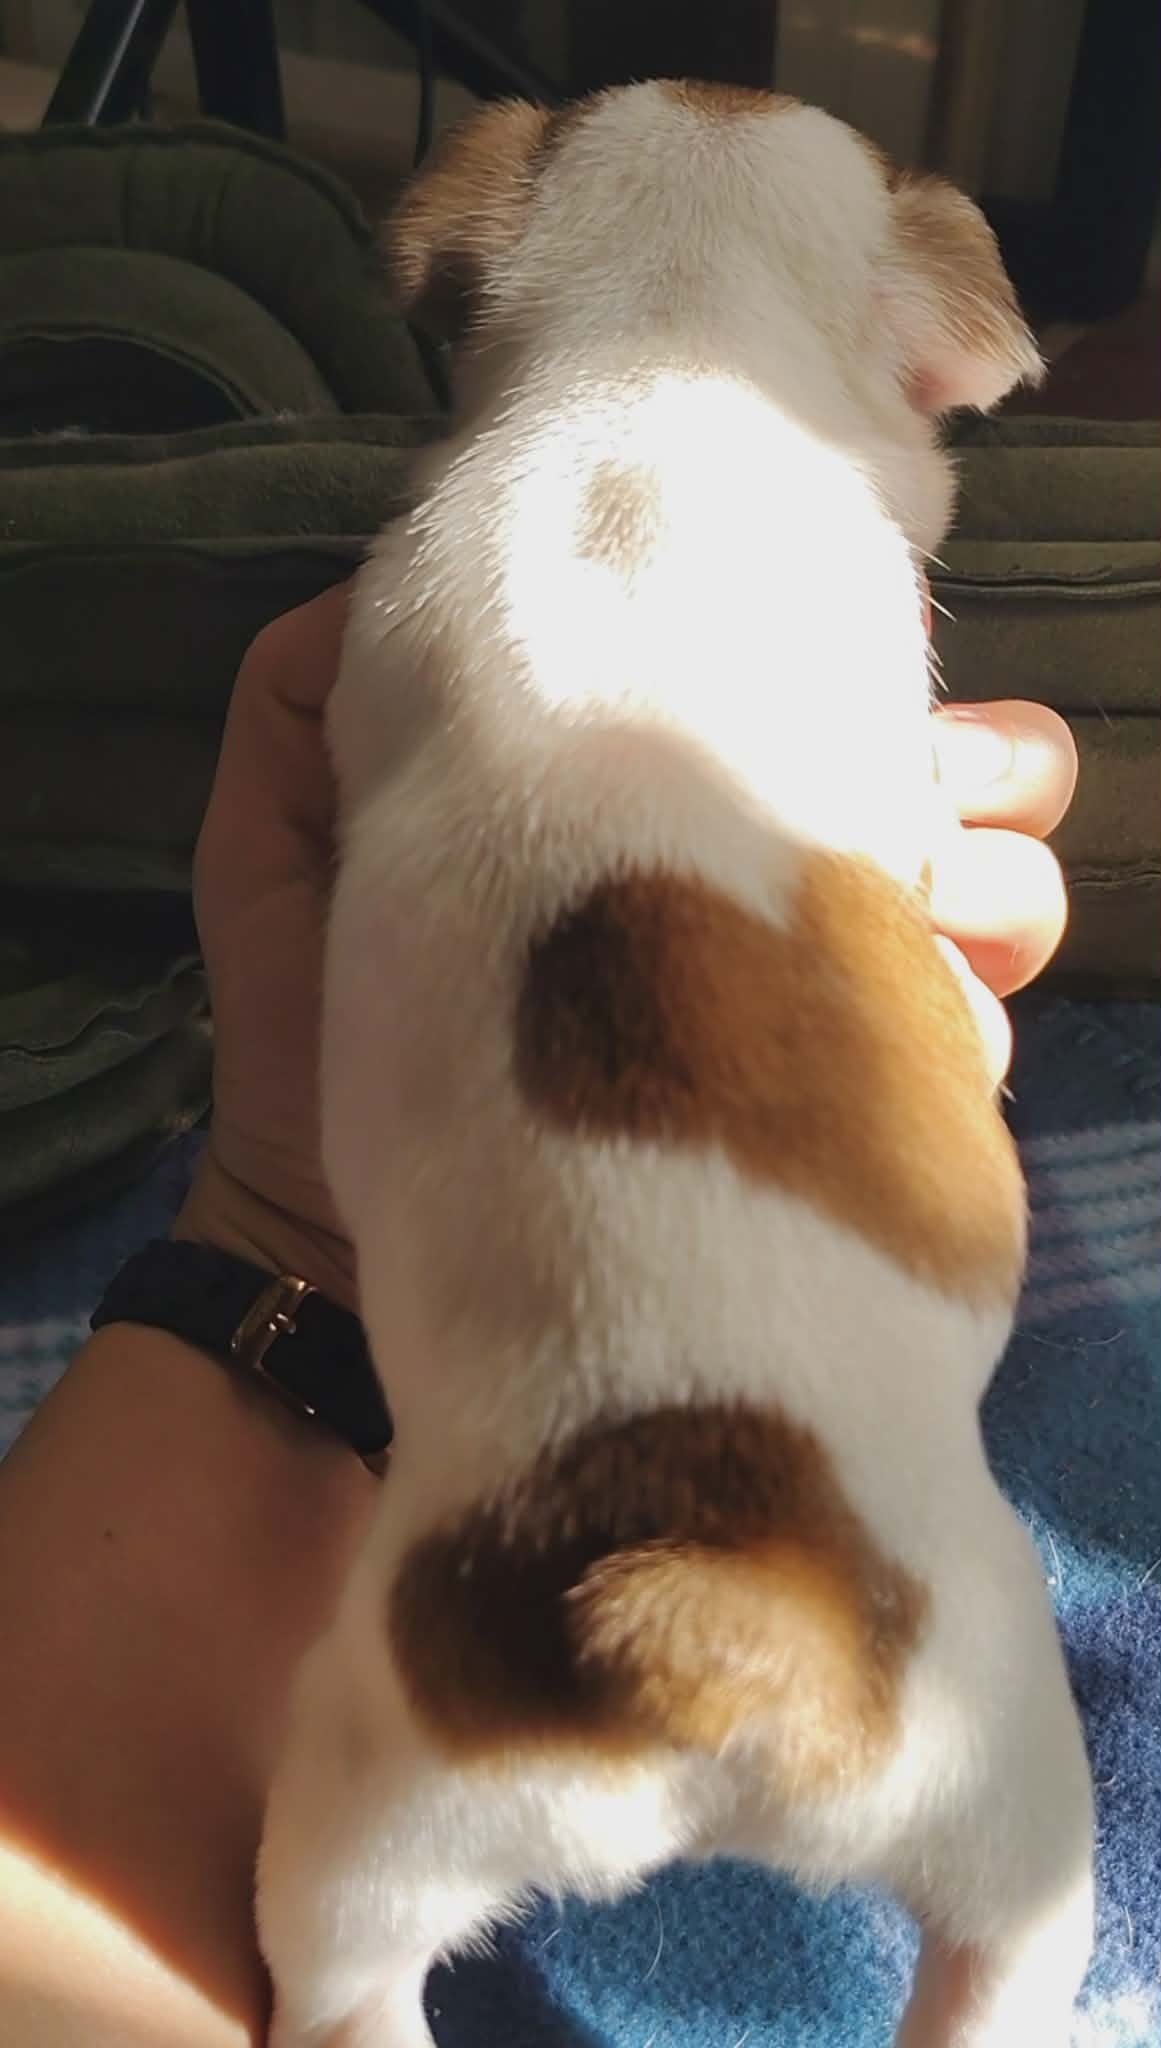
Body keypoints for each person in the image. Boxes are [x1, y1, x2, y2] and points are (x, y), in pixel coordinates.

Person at [0, 586, 1078, 2047]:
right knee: (1014, 1921)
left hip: (500, 1634)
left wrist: (292, 1231)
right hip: (831, 1616)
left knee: (349, 1942)